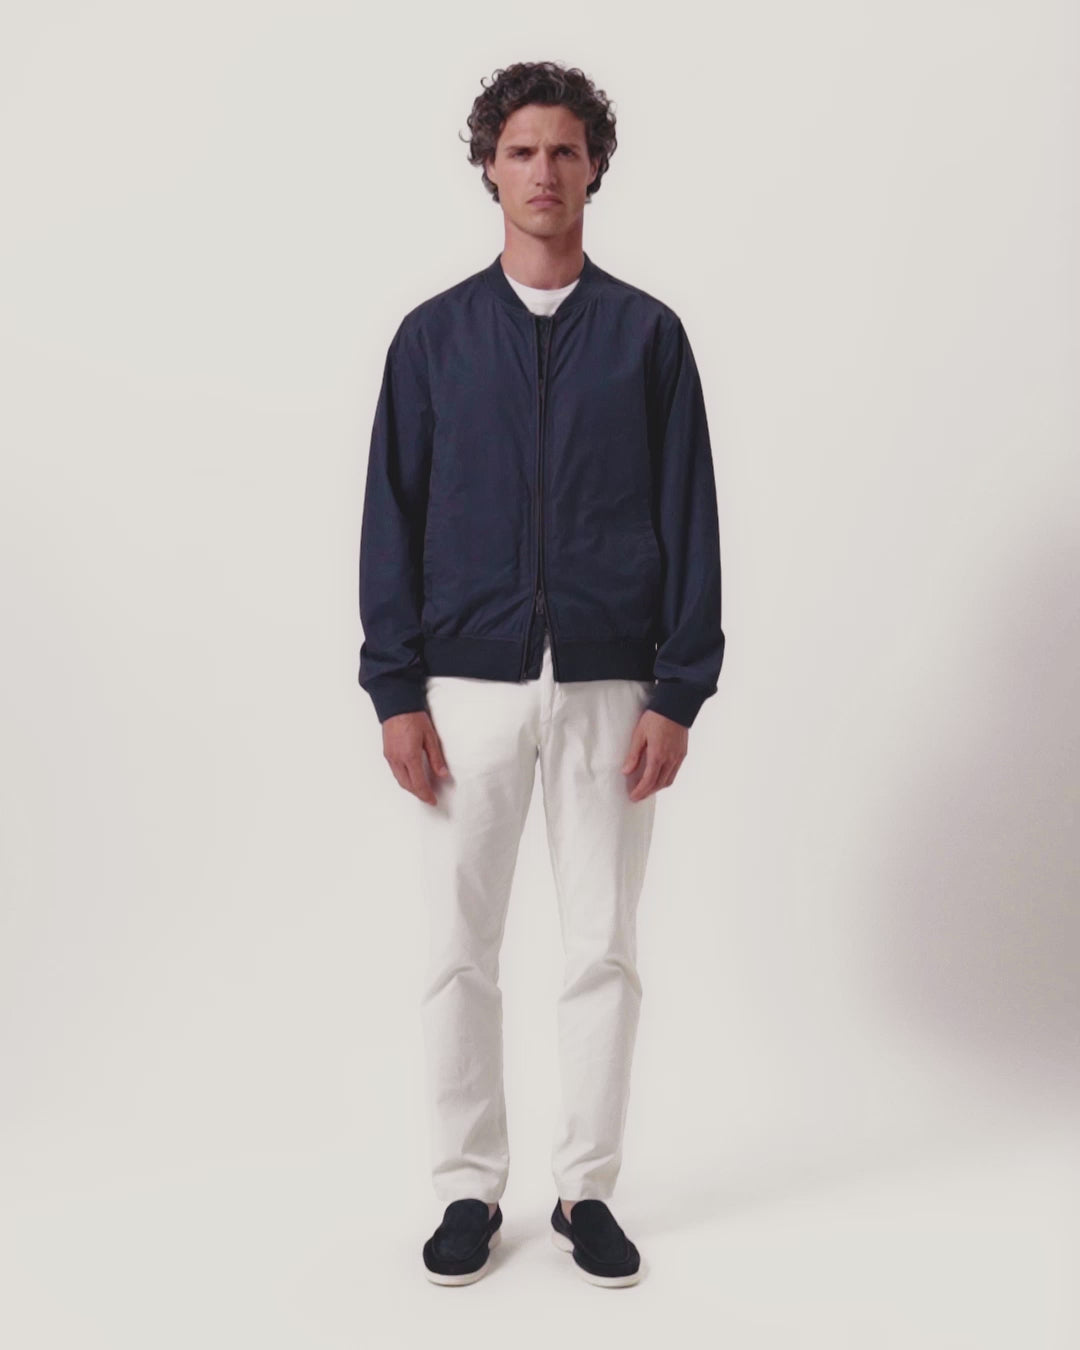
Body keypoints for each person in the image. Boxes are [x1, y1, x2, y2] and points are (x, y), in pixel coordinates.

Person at [357, 60, 724, 1288]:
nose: (544, 172)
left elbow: (692, 516)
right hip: (463, 691)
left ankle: (585, 1191)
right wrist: (396, 691)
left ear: (595, 166)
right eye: (522, 151)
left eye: (565, 150)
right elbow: (391, 519)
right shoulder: (433, 340)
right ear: (489, 168)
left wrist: (677, 690)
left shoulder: (647, 338)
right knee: (457, 951)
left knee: (600, 947)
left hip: (615, 691)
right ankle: (468, 1189)